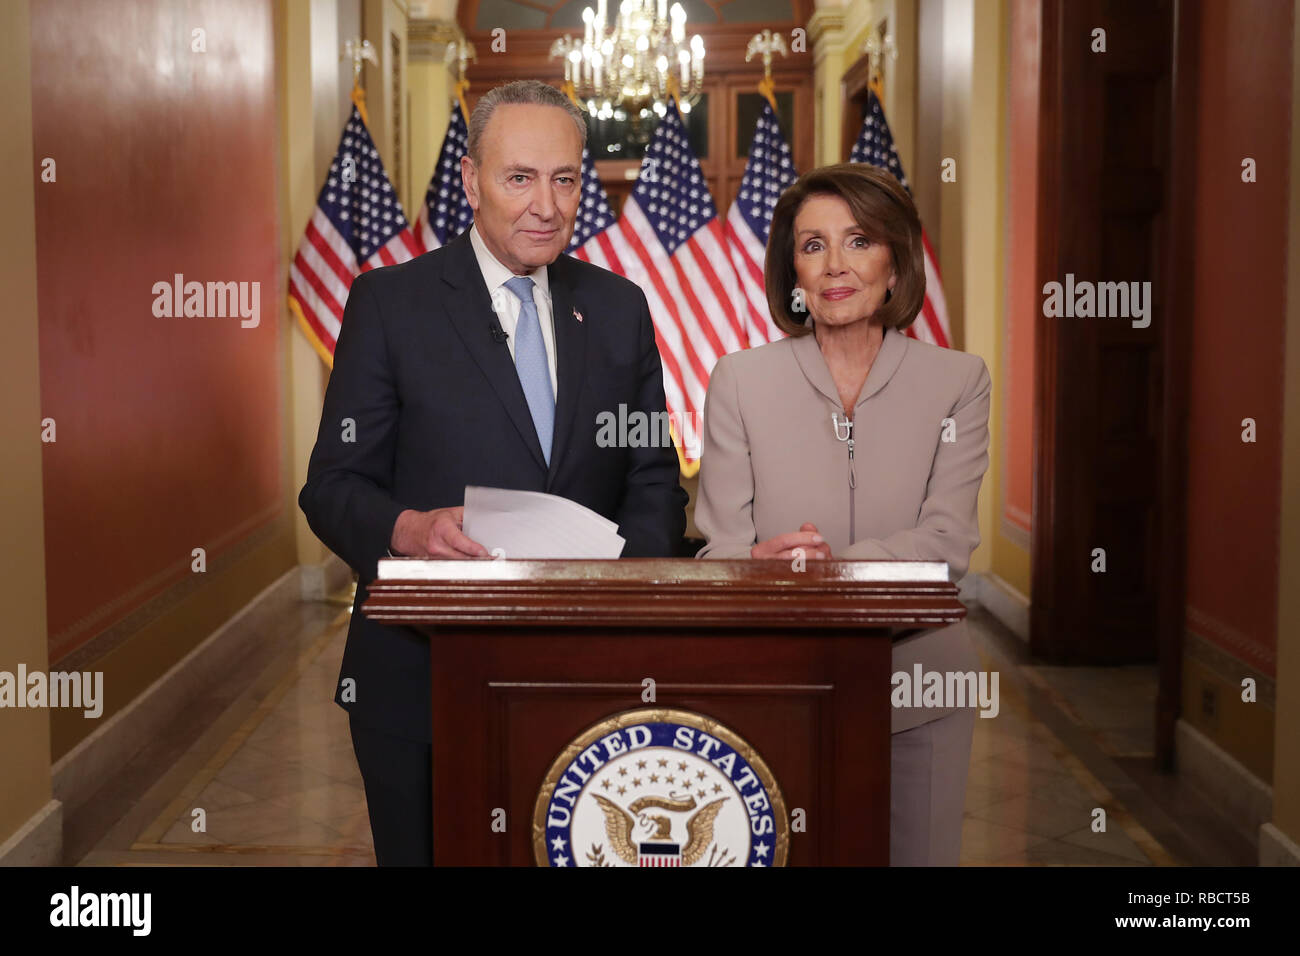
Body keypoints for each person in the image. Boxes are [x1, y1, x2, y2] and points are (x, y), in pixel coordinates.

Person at [299, 80, 688, 865]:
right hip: (422, 674)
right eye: (520, 178)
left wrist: (618, 594)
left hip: (586, 672)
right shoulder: (389, 304)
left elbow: (654, 480)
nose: (546, 204)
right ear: (471, 180)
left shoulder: (620, 308)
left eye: (566, 179)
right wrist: (409, 529)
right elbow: (333, 487)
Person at [693, 162, 991, 866]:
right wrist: (749, 565)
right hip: (779, 684)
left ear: (896, 261)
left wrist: (829, 570)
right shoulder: (741, 380)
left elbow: (947, 543)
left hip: (922, 680)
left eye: (858, 241)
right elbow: (722, 553)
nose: (835, 266)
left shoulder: (959, 381)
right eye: (812, 245)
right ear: (791, 270)